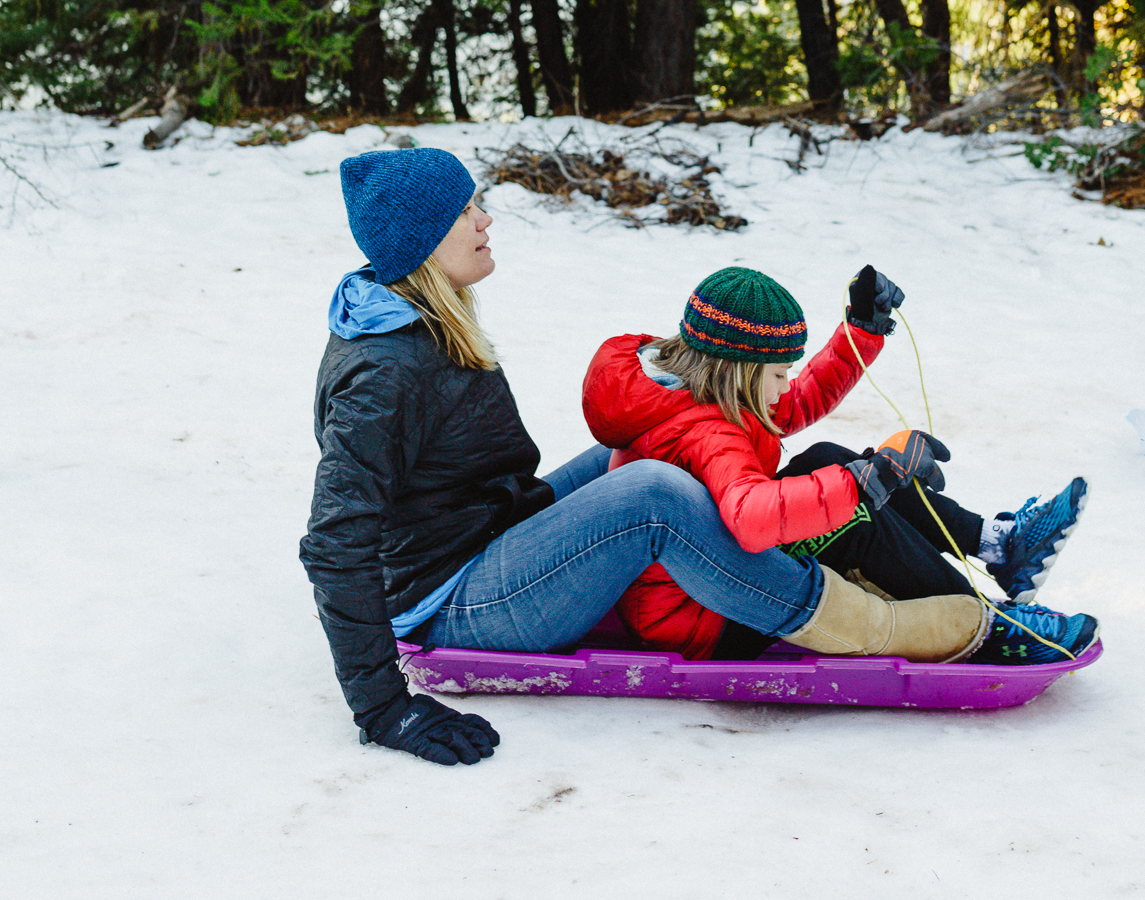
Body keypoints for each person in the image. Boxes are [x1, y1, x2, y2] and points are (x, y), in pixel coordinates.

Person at [300, 148, 986, 771]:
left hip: (484, 535)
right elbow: (334, 543)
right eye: (464, 210)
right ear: (422, 243)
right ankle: (860, 623)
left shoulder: (412, 320)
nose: (484, 218)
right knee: (654, 492)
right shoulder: (384, 374)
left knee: (644, 442)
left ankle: (883, 539)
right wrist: (382, 707)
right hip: (449, 601)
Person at [581, 263, 1098, 667]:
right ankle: (993, 627)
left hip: (700, 578)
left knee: (827, 461)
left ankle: (998, 544)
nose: (786, 385)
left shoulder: (694, 389)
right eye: (780, 372)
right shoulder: (709, 430)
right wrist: (870, 482)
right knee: (853, 520)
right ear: (739, 369)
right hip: (704, 616)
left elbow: (795, 404)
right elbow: (753, 516)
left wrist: (861, 332)